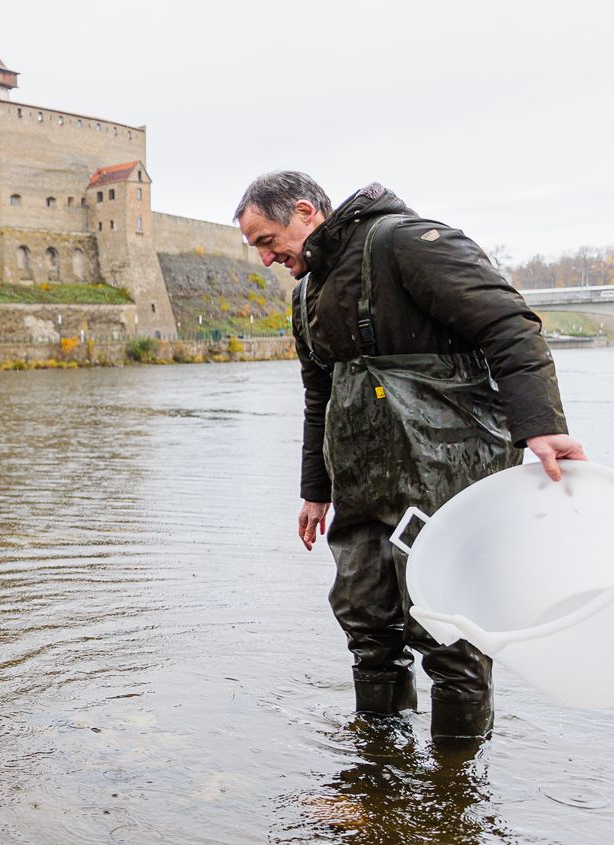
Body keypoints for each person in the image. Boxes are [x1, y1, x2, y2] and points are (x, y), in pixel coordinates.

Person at [234, 172, 585, 740]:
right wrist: (315, 489)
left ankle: (456, 791)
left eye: (267, 241)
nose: (266, 258)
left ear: (304, 212)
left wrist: (541, 428)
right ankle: (378, 767)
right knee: (366, 623)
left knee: (448, 634)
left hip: (450, 483)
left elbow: (510, 328)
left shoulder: (406, 243)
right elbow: (319, 397)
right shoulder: (306, 296)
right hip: (362, 488)